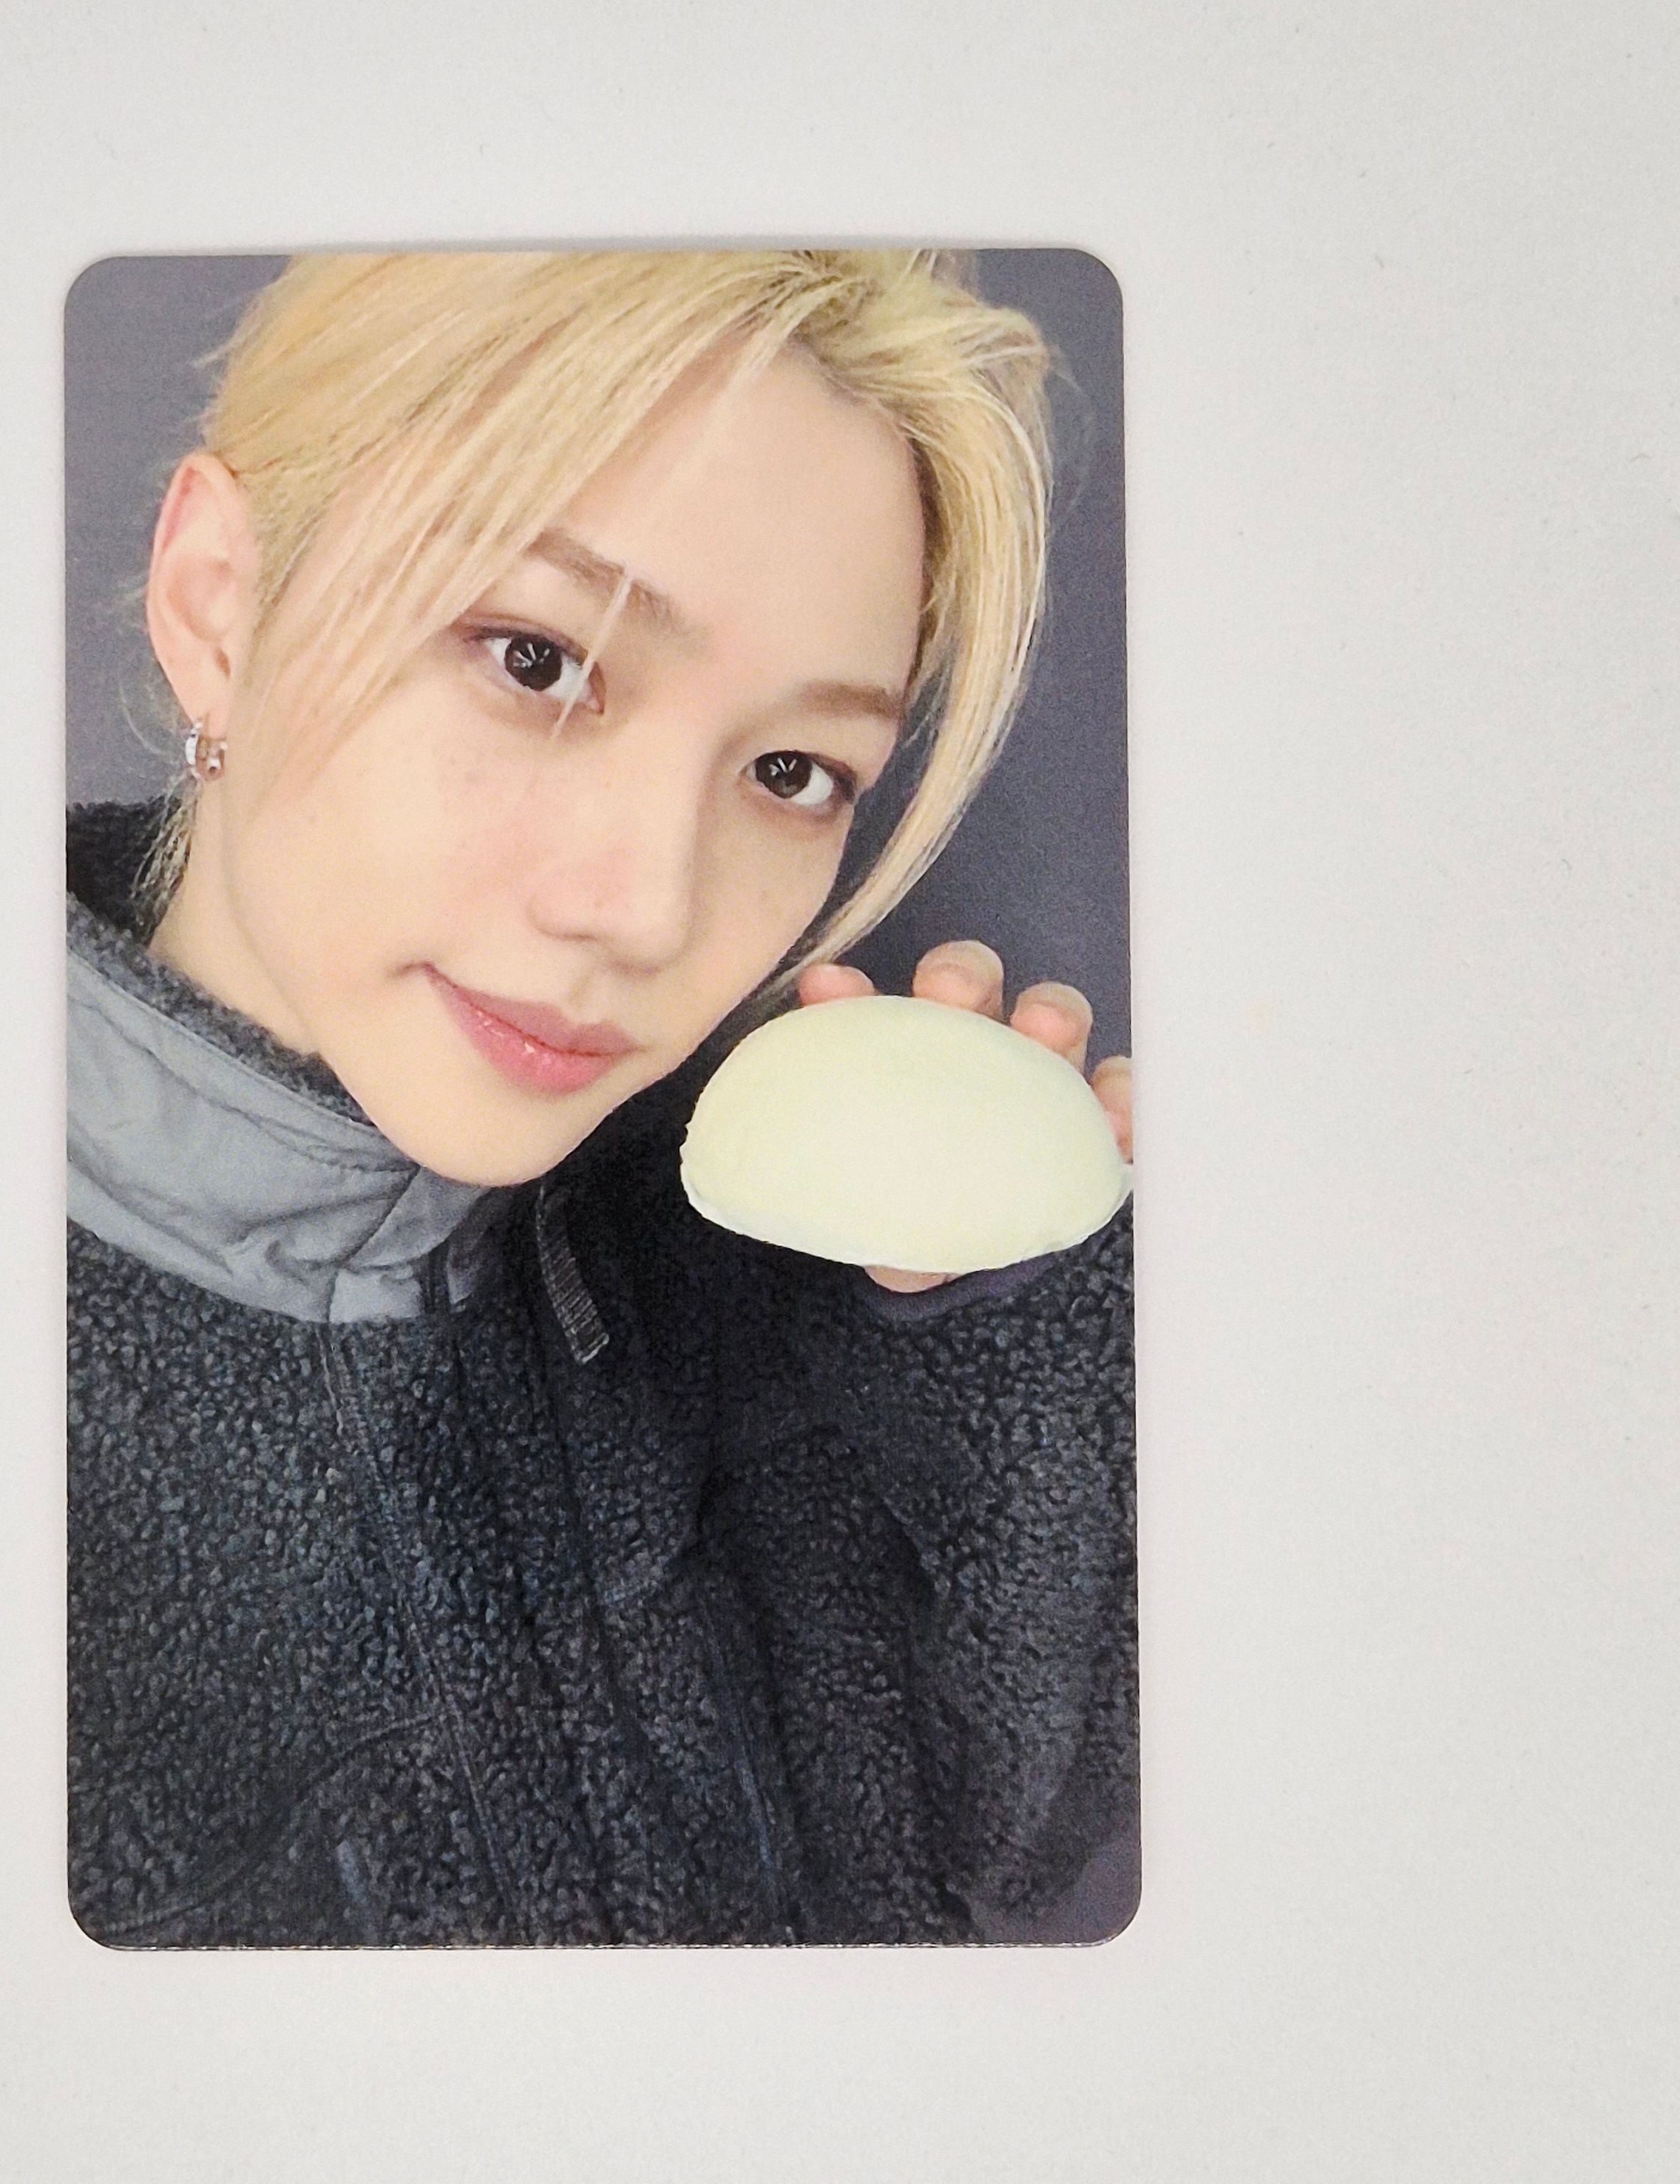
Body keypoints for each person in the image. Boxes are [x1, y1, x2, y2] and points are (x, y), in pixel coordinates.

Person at [67, 249, 1137, 1947]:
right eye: (535, 659)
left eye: (791, 770)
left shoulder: (705, 1251)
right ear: (218, 603)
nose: (646, 910)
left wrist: (968, 1341)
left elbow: (997, 1858)